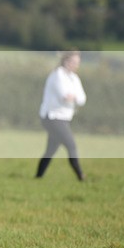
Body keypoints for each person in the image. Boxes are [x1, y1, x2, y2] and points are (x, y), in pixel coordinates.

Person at [36, 50, 87, 180]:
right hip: (52, 117)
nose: (76, 65)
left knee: (51, 149)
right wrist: (74, 97)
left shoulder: (74, 78)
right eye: (73, 62)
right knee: (71, 145)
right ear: (66, 61)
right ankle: (81, 176)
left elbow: (82, 98)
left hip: (64, 118)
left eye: (78, 62)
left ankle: (38, 177)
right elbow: (64, 96)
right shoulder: (57, 75)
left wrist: (73, 97)